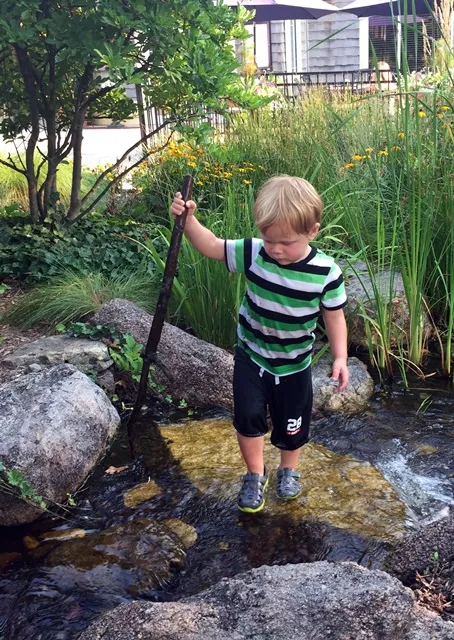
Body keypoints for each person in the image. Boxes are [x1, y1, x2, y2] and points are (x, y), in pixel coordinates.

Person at [170, 175, 348, 513]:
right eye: (269, 240)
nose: (277, 249)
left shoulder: (326, 273)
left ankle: (288, 469)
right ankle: (254, 474)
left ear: (312, 230)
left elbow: (335, 317)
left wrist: (340, 356)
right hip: (251, 356)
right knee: (248, 416)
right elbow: (211, 246)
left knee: (292, 423)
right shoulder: (254, 253)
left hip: (295, 364)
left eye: (286, 242)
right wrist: (188, 220)